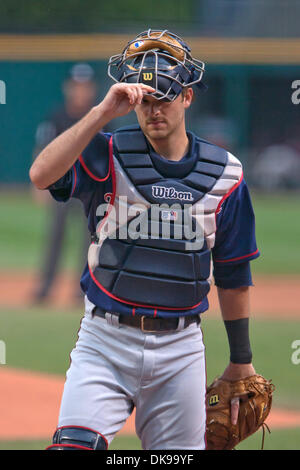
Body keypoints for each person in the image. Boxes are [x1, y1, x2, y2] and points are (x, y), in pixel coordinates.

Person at [30, 29, 260, 450]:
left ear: (188, 97)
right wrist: (103, 112)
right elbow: (41, 174)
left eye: (166, 98)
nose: (154, 110)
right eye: (146, 100)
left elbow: (233, 273)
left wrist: (241, 361)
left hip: (181, 350)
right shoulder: (108, 152)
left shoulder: (226, 173)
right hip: (104, 342)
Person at [32, 63, 98, 303]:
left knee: (88, 241)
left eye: (85, 86)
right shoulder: (57, 115)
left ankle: (82, 290)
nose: (80, 91)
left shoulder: (99, 116)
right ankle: (45, 288)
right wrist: (38, 185)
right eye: (77, 86)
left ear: (91, 89)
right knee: (55, 237)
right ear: (68, 88)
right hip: (60, 187)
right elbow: (41, 150)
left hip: (89, 191)